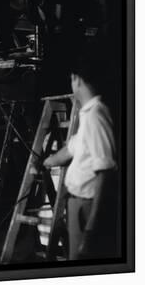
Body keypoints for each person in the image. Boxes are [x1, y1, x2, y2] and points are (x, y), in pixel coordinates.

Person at [43, 54, 117, 260]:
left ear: (77, 79)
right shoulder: (88, 115)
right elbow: (70, 150)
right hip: (78, 205)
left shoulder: (95, 115)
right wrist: (47, 161)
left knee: (83, 263)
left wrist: (91, 227)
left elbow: (105, 171)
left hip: (87, 207)